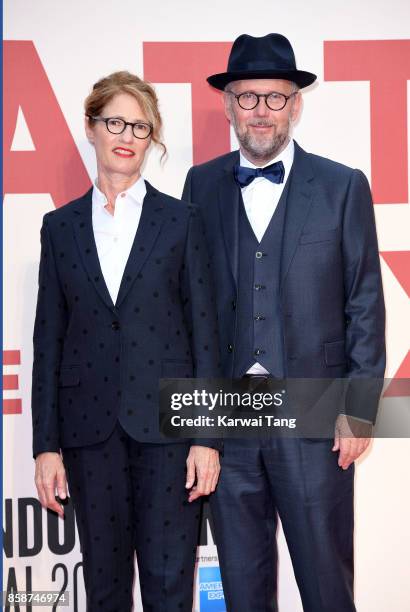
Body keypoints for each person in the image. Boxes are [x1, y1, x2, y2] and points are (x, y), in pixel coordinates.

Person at [182, 33, 385, 612]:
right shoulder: (201, 186)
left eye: (275, 98)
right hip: (230, 419)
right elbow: (193, 310)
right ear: (228, 105)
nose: (261, 112)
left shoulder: (344, 186)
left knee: (326, 586)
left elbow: (365, 302)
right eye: (248, 98)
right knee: (243, 593)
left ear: (296, 105)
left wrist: (361, 408)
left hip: (317, 416)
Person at [32, 70, 221, 611]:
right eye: (115, 121)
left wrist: (207, 438)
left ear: (152, 139)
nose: (127, 135)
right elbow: (50, 340)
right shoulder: (59, 227)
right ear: (90, 128)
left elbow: (205, 332)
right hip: (89, 436)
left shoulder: (182, 221)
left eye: (141, 127)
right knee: (106, 592)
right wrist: (46, 446)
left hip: (169, 434)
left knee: (168, 589)